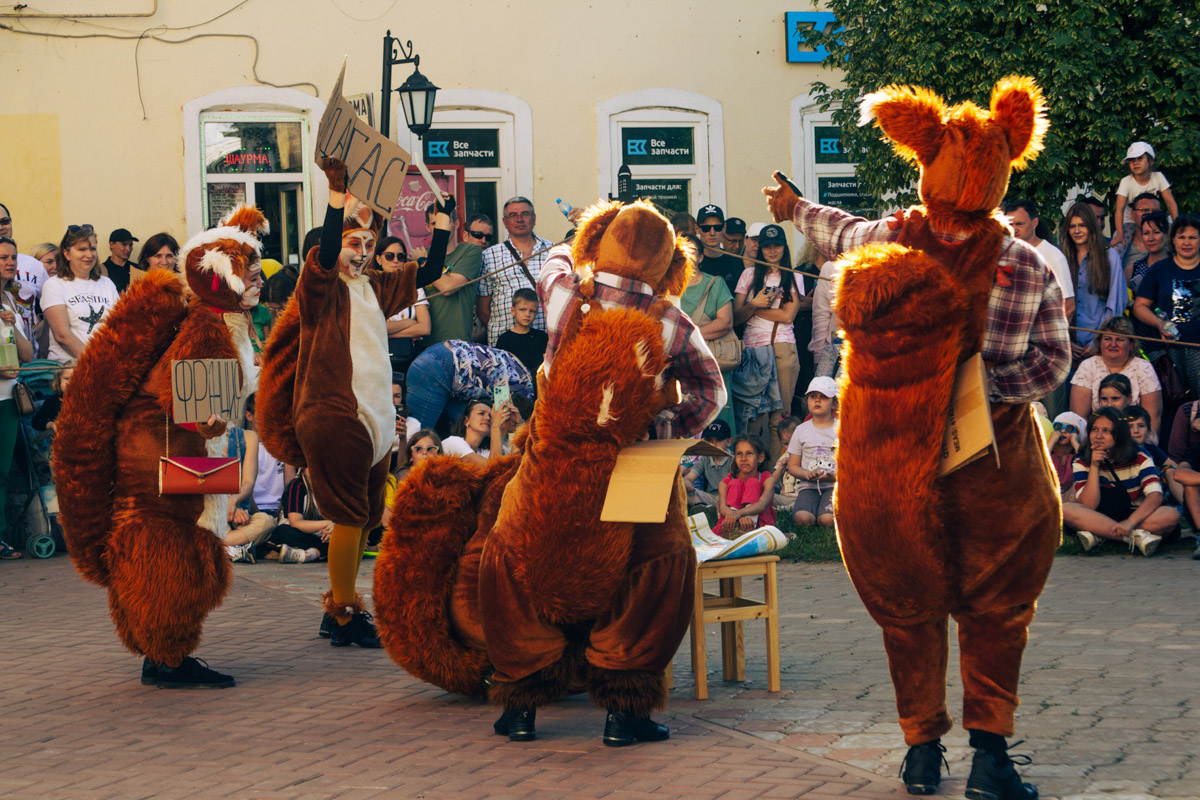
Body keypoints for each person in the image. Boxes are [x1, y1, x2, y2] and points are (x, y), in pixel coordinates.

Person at [255, 158, 444, 649]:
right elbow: (322, 259)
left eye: (368, 245)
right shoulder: (318, 289)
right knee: (347, 516)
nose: (363, 253)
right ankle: (342, 614)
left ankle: (339, 604)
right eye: (353, 244)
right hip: (336, 415)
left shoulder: (371, 288)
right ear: (328, 249)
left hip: (376, 418)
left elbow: (433, 272)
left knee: (365, 518)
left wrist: (441, 228)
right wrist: (337, 193)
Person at [1062, 406, 1175, 555]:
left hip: (1136, 514)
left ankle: (1101, 534)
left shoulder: (1140, 455)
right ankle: (1133, 538)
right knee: (1066, 509)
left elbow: (1155, 496)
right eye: (1094, 430)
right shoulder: (1081, 460)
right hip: (1099, 515)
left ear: (1119, 434)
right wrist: (1094, 466)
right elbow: (1089, 504)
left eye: (1106, 431)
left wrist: (1130, 522)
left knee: (1170, 515)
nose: (1098, 436)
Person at [733, 224, 803, 460]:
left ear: (785, 248)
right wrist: (754, 304)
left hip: (783, 346)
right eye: (767, 246)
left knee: (780, 416)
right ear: (760, 249)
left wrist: (755, 309)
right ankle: (754, 471)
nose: (772, 251)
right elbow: (735, 317)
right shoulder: (748, 275)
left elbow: (787, 316)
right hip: (753, 349)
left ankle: (774, 472)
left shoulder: (794, 276)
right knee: (753, 415)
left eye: (777, 246)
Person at [404, 340, 534, 436]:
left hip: (436, 355)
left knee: (470, 425)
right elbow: (498, 423)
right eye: (513, 427)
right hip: (439, 370)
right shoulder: (521, 393)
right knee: (418, 438)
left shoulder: (524, 381)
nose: (509, 434)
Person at [1132, 214, 1200, 395]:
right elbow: (1139, 307)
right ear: (1173, 240)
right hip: (1165, 352)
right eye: (1181, 237)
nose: (1187, 242)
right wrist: (1159, 323)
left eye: (1192, 237)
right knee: (1168, 404)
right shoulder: (1159, 269)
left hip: (1198, 349)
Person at [224, 393, 294, 564]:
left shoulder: (247, 437)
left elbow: (249, 483)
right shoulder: (204, 440)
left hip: (247, 513)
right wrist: (227, 506)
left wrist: (235, 502)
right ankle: (230, 546)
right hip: (217, 511)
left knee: (267, 523)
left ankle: (217, 546)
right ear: (249, 415)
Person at [0, 237, 35, 559]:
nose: (10, 263)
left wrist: (16, 327)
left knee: (3, 470)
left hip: (8, 397)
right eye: (3, 258)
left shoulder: (10, 302)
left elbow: (27, 353)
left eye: (12, 257)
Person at [477, 197, 553, 346]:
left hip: (546, 342)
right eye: (513, 215)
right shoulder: (490, 255)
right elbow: (483, 309)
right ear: (505, 222)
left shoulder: (552, 251)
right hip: (505, 342)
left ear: (534, 218)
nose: (519, 219)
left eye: (525, 214)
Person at [679, 244, 737, 431]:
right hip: (681, 364)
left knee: (721, 418)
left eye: (692, 252)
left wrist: (687, 335)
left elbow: (726, 322)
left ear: (702, 257)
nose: (688, 257)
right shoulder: (669, 287)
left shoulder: (715, 284)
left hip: (714, 360)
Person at [1069, 316, 1161, 433]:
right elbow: (1078, 418)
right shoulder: (1088, 366)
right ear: (1099, 341)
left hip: (1133, 439)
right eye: (1107, 339)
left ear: (1131, 344)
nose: (1113, 344)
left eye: (1120, 340)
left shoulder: (1144, 368)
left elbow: (1153, 418)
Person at [41, 225, 119, 362]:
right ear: (66, 253)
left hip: (107, 364)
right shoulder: (54, 285)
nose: (89, 255)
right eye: (82, 249)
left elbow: (119, 326)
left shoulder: (107, 284)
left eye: (92, 249)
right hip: (70, 369)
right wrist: (93, 361)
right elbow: (62, 335)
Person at [1060, 202, 1126, 362]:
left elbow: (1115, 305)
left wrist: (1098, 341)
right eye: (1072, 226)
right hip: (1066, 346)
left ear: (1091, 226)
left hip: (1101, 344)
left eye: (1082, 225)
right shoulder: (1061, 258)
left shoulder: (1110, 257)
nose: (1077, 231)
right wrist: (1066, 340)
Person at [422, 201, 484, 345]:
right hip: (426, 346)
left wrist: (423, 261)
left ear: (456, 224)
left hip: (459, 344)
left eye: (445, 222)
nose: (440, 228)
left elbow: (447, 287)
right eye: (434, 223)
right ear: (427, 227)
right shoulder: (424, 254)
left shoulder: (470, 251)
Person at [1002, 199, 1074, 317]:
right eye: (1010, 224)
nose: (1014, 229)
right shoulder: (1004, 253)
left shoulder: (1054, 256)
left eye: (1019, 224)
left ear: (1034, 223)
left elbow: (1069, 306)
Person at [785, 376, 838, 529]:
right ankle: (812, 509)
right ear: (807, 400)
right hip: (808, 487)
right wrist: (806, 474)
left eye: (824, 397)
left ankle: (828, 512)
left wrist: (834, 476)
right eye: (813, 396)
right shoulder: (801, 430)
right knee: (802, 519)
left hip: (834, 486)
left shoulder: (842, 429)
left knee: (827, 520)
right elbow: (792, 465)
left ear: (834, 403)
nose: (817, 400)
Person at [1110, 142, 1179, 252]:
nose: (1135, 163)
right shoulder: (1126, 181)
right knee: (1119, 247)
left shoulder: (1158, 177)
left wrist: (1177, 224)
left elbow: (1170, 203)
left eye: (1140, 158)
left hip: (1156, 219)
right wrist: (1119, 233)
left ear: (1151, 161)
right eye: (1132, 160)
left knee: (1176, 239)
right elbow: (1119, 209)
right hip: (1131, 221)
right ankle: (1116, 267)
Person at [376, 234, 430, 373]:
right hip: (378, 358)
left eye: (400, 257)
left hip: (410, 358)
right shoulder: (371, 287)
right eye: (389, 256)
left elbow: (425, 328)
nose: (395, 261)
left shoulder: (414, 286)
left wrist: (386, 331)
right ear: (378, 259)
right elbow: (372, 328)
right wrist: (409, 323)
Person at [718, 435, 777, 535]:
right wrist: (736, 518)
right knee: (735, 483)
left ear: (760, 457)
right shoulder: (726, 481)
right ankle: (733, 529)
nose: (744, 458)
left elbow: (762, 505)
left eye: (749, 453)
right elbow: (722, 508)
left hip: (759, 526)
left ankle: (749, 527)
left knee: (752, 483)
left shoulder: (767, 479)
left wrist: (740, 514)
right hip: (731, 523)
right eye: (739, 454)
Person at [494, 287, 548, 380]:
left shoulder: (541, 337)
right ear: (513, 311)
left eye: (532, 311)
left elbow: (546, 366)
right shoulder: (504, 340)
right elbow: (500, 371)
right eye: (523, 309)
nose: (527, 314)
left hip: (538, 386)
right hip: (514, 387)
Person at [694, 204, 744, 296]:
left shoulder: (735, 262)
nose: (712, 233)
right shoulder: (692, 262)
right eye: (706, 228)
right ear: (697, 229)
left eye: (717, 228)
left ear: (724, 228)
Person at [683, 419, 733, 507]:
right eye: (709, 440)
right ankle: (705, 509)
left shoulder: (733, 461)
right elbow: (690, 477)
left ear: (729, 442)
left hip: (729, 499)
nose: (713, 444)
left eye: (719, 440)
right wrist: (687, 481)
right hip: (710, 497)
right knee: (681, 491)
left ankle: (705, 509)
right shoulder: (705, 458)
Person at [1118, 193, 1164, 275]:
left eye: (1155, 211)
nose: (1150, 214)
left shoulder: (1172, 244)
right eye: (1145, 210)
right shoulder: (1121, 242)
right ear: (1133, 215)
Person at [1048, 411, 1086, 501]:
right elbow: (1038, 462)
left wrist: (1075, 443)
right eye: (1058, 427)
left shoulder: (1076, 455)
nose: (1063, 431)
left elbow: (1087, 465)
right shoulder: (1049, 451)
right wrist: (1052, 440)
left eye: (1069, 428)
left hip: (1072, 498)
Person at [102, 228, 138, 293]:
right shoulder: (101, 270)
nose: (128, 249)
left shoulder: (137, 269)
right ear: (112, 244)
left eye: (130, 245)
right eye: (124, 244)